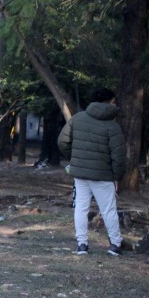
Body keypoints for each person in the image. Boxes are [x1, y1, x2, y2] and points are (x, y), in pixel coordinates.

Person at [57, 88, 126, 256]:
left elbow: (62, 141)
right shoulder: (112, 126)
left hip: (80, 174)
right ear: (108, 102)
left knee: (81, 208)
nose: (115, 104)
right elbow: (118, 156)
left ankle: (82, 245)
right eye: (113, 101)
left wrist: (75, 159)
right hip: (103, 175)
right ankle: (115, 244)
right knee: (108, 210)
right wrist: (117, 176)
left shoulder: (77, 119)